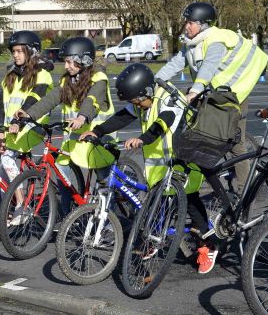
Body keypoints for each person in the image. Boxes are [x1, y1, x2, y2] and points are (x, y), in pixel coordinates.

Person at [154, 2, 268, 273]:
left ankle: (242, 186)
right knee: (200, 133)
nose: (186, 25)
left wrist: (195, 89)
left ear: (203, 24)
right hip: (212, 94)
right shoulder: (192, 43)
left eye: (190, 22)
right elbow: (176, 63)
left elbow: (209, 67)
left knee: (234, 141)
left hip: (234, 96)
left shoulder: (215, 40)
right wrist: (155, 80)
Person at [78, 64, 209, 269]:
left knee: (190, 199)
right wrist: (97, 131)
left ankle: (208, 245)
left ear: (146, 92)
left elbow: (163, 123)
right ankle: (154, 238)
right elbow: (122, 117)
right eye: (134, 102)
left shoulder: (168, 99)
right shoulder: (142, 99)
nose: (136, 105)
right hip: (163, 163)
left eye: (137, 101)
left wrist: (142, 139)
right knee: (156, 201)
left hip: (186, 157)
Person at [10, 37, 114, 217]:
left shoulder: (99, 78)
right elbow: (50, 99)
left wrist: (82, 116)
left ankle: (107, 224)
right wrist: (29, 114)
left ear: (84, 60)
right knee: (62, 173)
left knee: (104, 184)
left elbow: (93, 100)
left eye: (69, 61)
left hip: (97, 140)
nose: (66, 66)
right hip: (73, 141)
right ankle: (68, 215)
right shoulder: (68, 81)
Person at [0, 31, 54, 238]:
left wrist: (19, 121)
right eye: (14, 51)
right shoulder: (11, 75)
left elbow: (33, 100)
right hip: (14, 128)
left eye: (20, 51)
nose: (16, 55)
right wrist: (0, 131)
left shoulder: (42, 74)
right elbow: (2, 105)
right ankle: (8, 215)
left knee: (8, 158)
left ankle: (21, 207)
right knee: (2, 175)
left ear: (32, 51)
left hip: (33, 126)